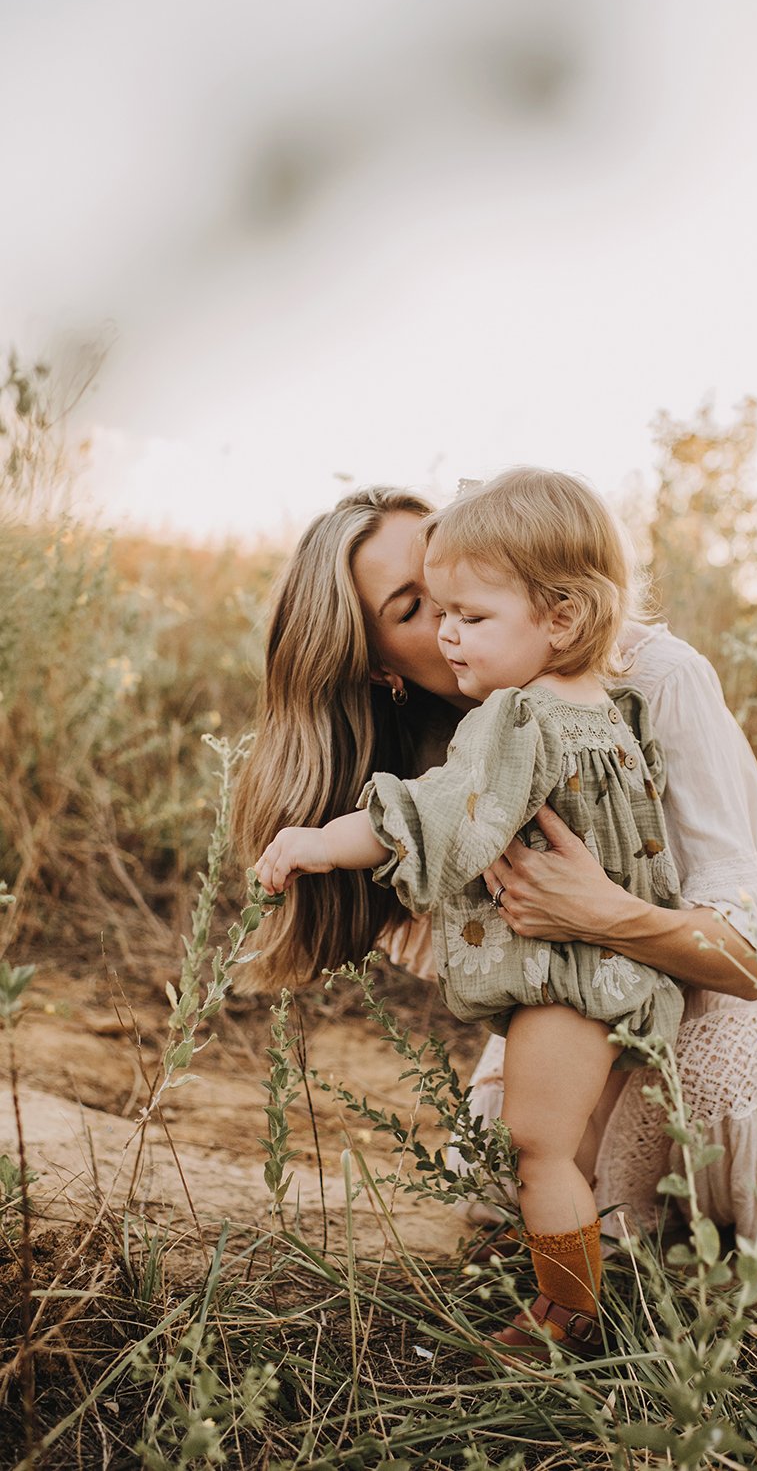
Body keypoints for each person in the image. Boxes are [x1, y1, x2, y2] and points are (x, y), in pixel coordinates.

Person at [233, 477, 757, 1281]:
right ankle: (595, 1269)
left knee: (713, 1099)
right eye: (418, 607)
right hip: (591, 967)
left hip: (743, 947)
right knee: (518, 1158)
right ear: (379, 667)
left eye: (461, 577)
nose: (453, 609)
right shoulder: (445, 752)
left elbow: (748, 957)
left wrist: (604, 913)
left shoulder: (652, 677)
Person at [254, 469, 694, 1356]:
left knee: (539, 1150)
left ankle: (567, 1318)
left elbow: (431, 812)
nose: (452, 633)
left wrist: (318, 843)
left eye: (470, 615)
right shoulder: (616, 708)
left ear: (559, 617)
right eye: (431, 613)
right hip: (628, 968)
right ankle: (594, 1279)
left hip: (568, 978)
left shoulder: (514, 721)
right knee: (557, 1147)